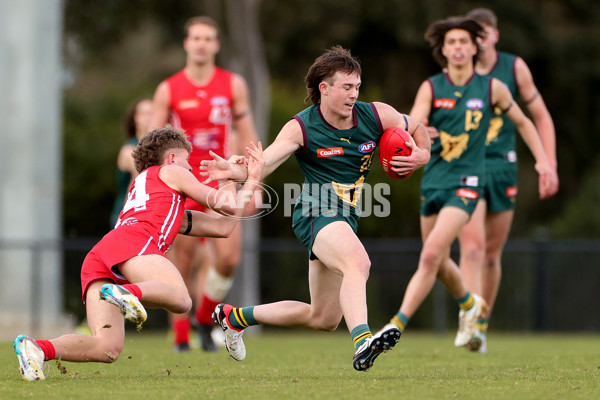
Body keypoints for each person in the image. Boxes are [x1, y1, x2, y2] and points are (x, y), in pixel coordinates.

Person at [200, 45, 431, 371]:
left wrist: (422, 154)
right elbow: (264, 163)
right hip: (314, 211)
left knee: (322, 317)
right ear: (324, 87)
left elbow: (417, 127)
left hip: (345, 217)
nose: (354, 94)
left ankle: (234, 317)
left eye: (357, 87)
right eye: (347, 87)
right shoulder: (302, 127)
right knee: (358, 263)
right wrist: (234, 171)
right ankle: (363, 342)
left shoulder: (376, 114)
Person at [13, 127, 265, 381]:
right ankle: (128, 293)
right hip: (134, 241)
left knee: (107, 348)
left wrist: (230, 180)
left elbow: (224, 226)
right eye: (187, 161)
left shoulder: (158, 193)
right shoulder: (171, 171)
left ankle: (36, 349)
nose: (190, 169)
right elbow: (226, 204)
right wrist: (237, 174)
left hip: (104, 252)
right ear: (172, 158)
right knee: (182, 300)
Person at [378, 16, 555, 348]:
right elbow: (411, 125)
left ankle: (397, 324)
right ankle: (470, 305)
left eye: (464, 41)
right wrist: (417, 138)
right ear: (442, 50)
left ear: (476, 47)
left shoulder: (492, 88)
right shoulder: (431, 87)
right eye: (451, 43)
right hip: (434, 180)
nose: (458, 47)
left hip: (468, 181)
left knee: (442, 254)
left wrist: (543, 161)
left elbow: (525, 122)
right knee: (439, 260)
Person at [150, 16, 259, 352]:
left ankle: (202, 316)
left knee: (228, 257)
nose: (201, 44)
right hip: (183, 180)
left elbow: (247, 134)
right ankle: (181, 338)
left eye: (208, 38)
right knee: (181, 261)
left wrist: (255, 178)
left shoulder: (233, 84)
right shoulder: (168, 89)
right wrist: (154, 182)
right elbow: (151, 143)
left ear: (216, 45)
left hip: (221, 175)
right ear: (186, 43)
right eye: (195, 38)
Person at [458, 8, 559, 353]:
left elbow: (540, 117)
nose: (480, 40)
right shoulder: (457, 72)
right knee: (470, 247)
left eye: (485, 33)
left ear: (495, 36)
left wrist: (548, 164)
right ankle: (468, 322)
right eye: (474, 35)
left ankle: (482, 325)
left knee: (490, 255)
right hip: (467, 166)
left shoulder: (513, 68)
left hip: (504, 167)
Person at [109, 97, 153, 227]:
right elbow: (139, 177)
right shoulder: (128, 149)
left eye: (152, 113)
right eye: (144, 113)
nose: (148, 117)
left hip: (151, 219)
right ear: (135, 118)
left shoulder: (166, 150)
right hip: (129, 219)